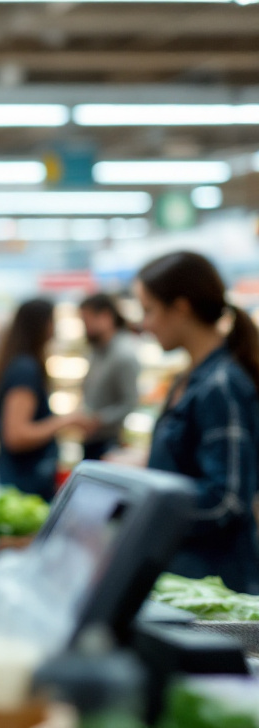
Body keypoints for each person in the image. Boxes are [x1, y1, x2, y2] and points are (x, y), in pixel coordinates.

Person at [136, 251, 259, 593]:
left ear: (181, 307)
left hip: (215, 585)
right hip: (185, 574)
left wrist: (146, 512)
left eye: (149, 310)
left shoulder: (221, 385)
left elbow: (227, 499)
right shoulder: (189, 378)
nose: (144, 324)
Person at [0, 299, 96, 500]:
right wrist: (67, 420)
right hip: (25, 484)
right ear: (43, 324)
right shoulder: (25, 369)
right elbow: (17, 435)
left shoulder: (19, 363)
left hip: (21, 480)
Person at [79, 293, 140, 461]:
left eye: (87, 320)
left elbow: (130, 402)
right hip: (91, 439)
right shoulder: (96, 351)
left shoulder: (123, 355)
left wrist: (99, 420)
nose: (85, 327)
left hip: (109, 441)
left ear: (106, 316)